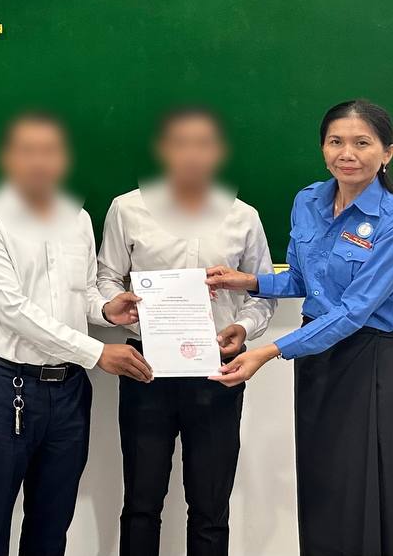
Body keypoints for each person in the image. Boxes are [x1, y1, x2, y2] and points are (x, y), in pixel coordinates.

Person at [206, 99, 393, 556]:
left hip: (370, 360)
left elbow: (354, 310)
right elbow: (306, 280)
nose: (347, 153)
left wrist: (269, 351)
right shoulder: (308, 201)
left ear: (387, 153)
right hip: (317, 356)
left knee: (363, 486)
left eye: (362, 143)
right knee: (322, 481)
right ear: (323, 147)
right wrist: (249, 281)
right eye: (335, 141)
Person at [0, 111, 149, 556]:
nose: (39, 161)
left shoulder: (77, 219)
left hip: (69, 392)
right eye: (28, 151)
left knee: (52, 523)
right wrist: (96, 352)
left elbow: (81, 294)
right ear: (7, 158)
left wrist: (107, 310)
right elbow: (13, 310)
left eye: (50, 151)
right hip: (7, 389)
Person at [97, 106, 275, 556]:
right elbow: (106, 278)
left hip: (218, 370)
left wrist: (242, 327)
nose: (191, 154)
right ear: (162, 149)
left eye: (203, 144)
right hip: (147, 369)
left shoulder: (243, 217)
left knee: (211, 507)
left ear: (218, 152)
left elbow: (262, 291)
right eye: (180, 143)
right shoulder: (127, 208)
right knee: (141, 503)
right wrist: (119, 308)